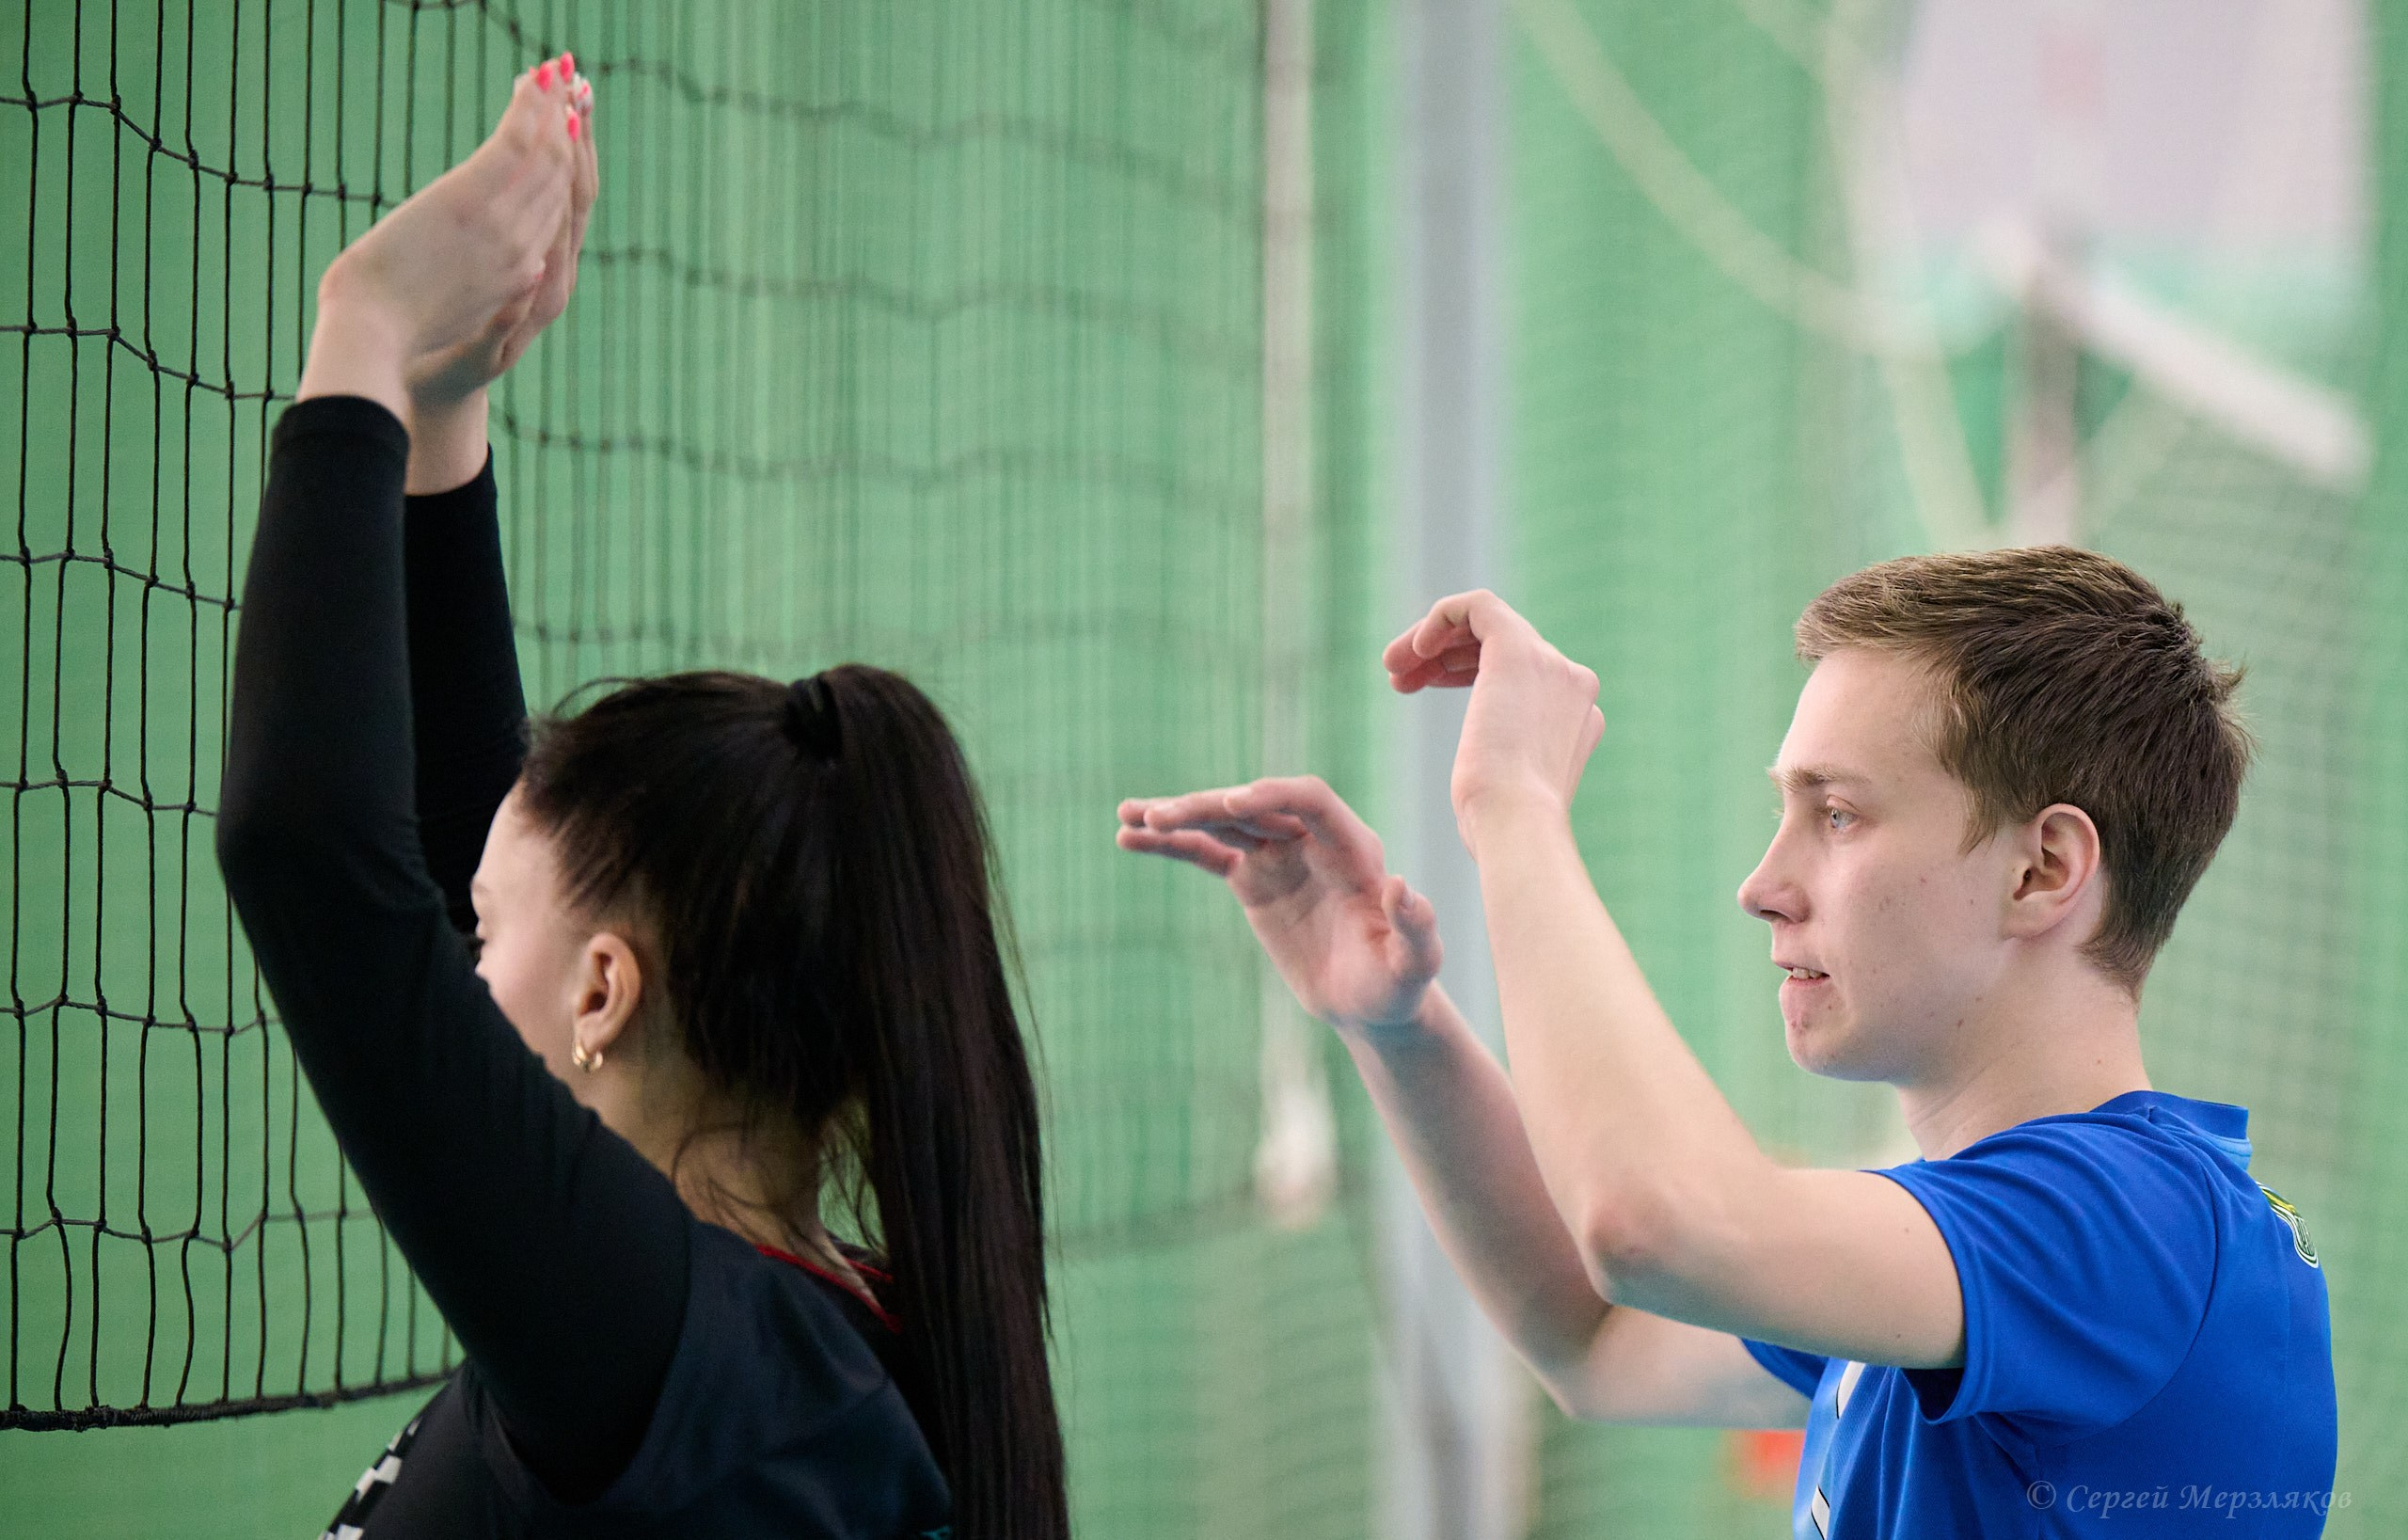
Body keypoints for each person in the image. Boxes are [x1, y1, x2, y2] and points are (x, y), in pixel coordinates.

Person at [216, 58, 1068, 1539]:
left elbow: (317, 866)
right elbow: (467, 849)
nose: (457, 961)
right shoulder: (758, 1351)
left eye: (481, 942)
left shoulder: (682, 1358)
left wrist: (361, 320)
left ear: (607, 990)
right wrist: (438, 411)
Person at [1120, 554, 2337, 1536]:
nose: (1764, 882)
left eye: (1838, 813)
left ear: (2044, 867)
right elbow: (1597, 1338)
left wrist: (1516, 808)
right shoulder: (1998, 1249)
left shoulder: (2139, 1227)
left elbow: (1656, 1230)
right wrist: (1395, 1025)